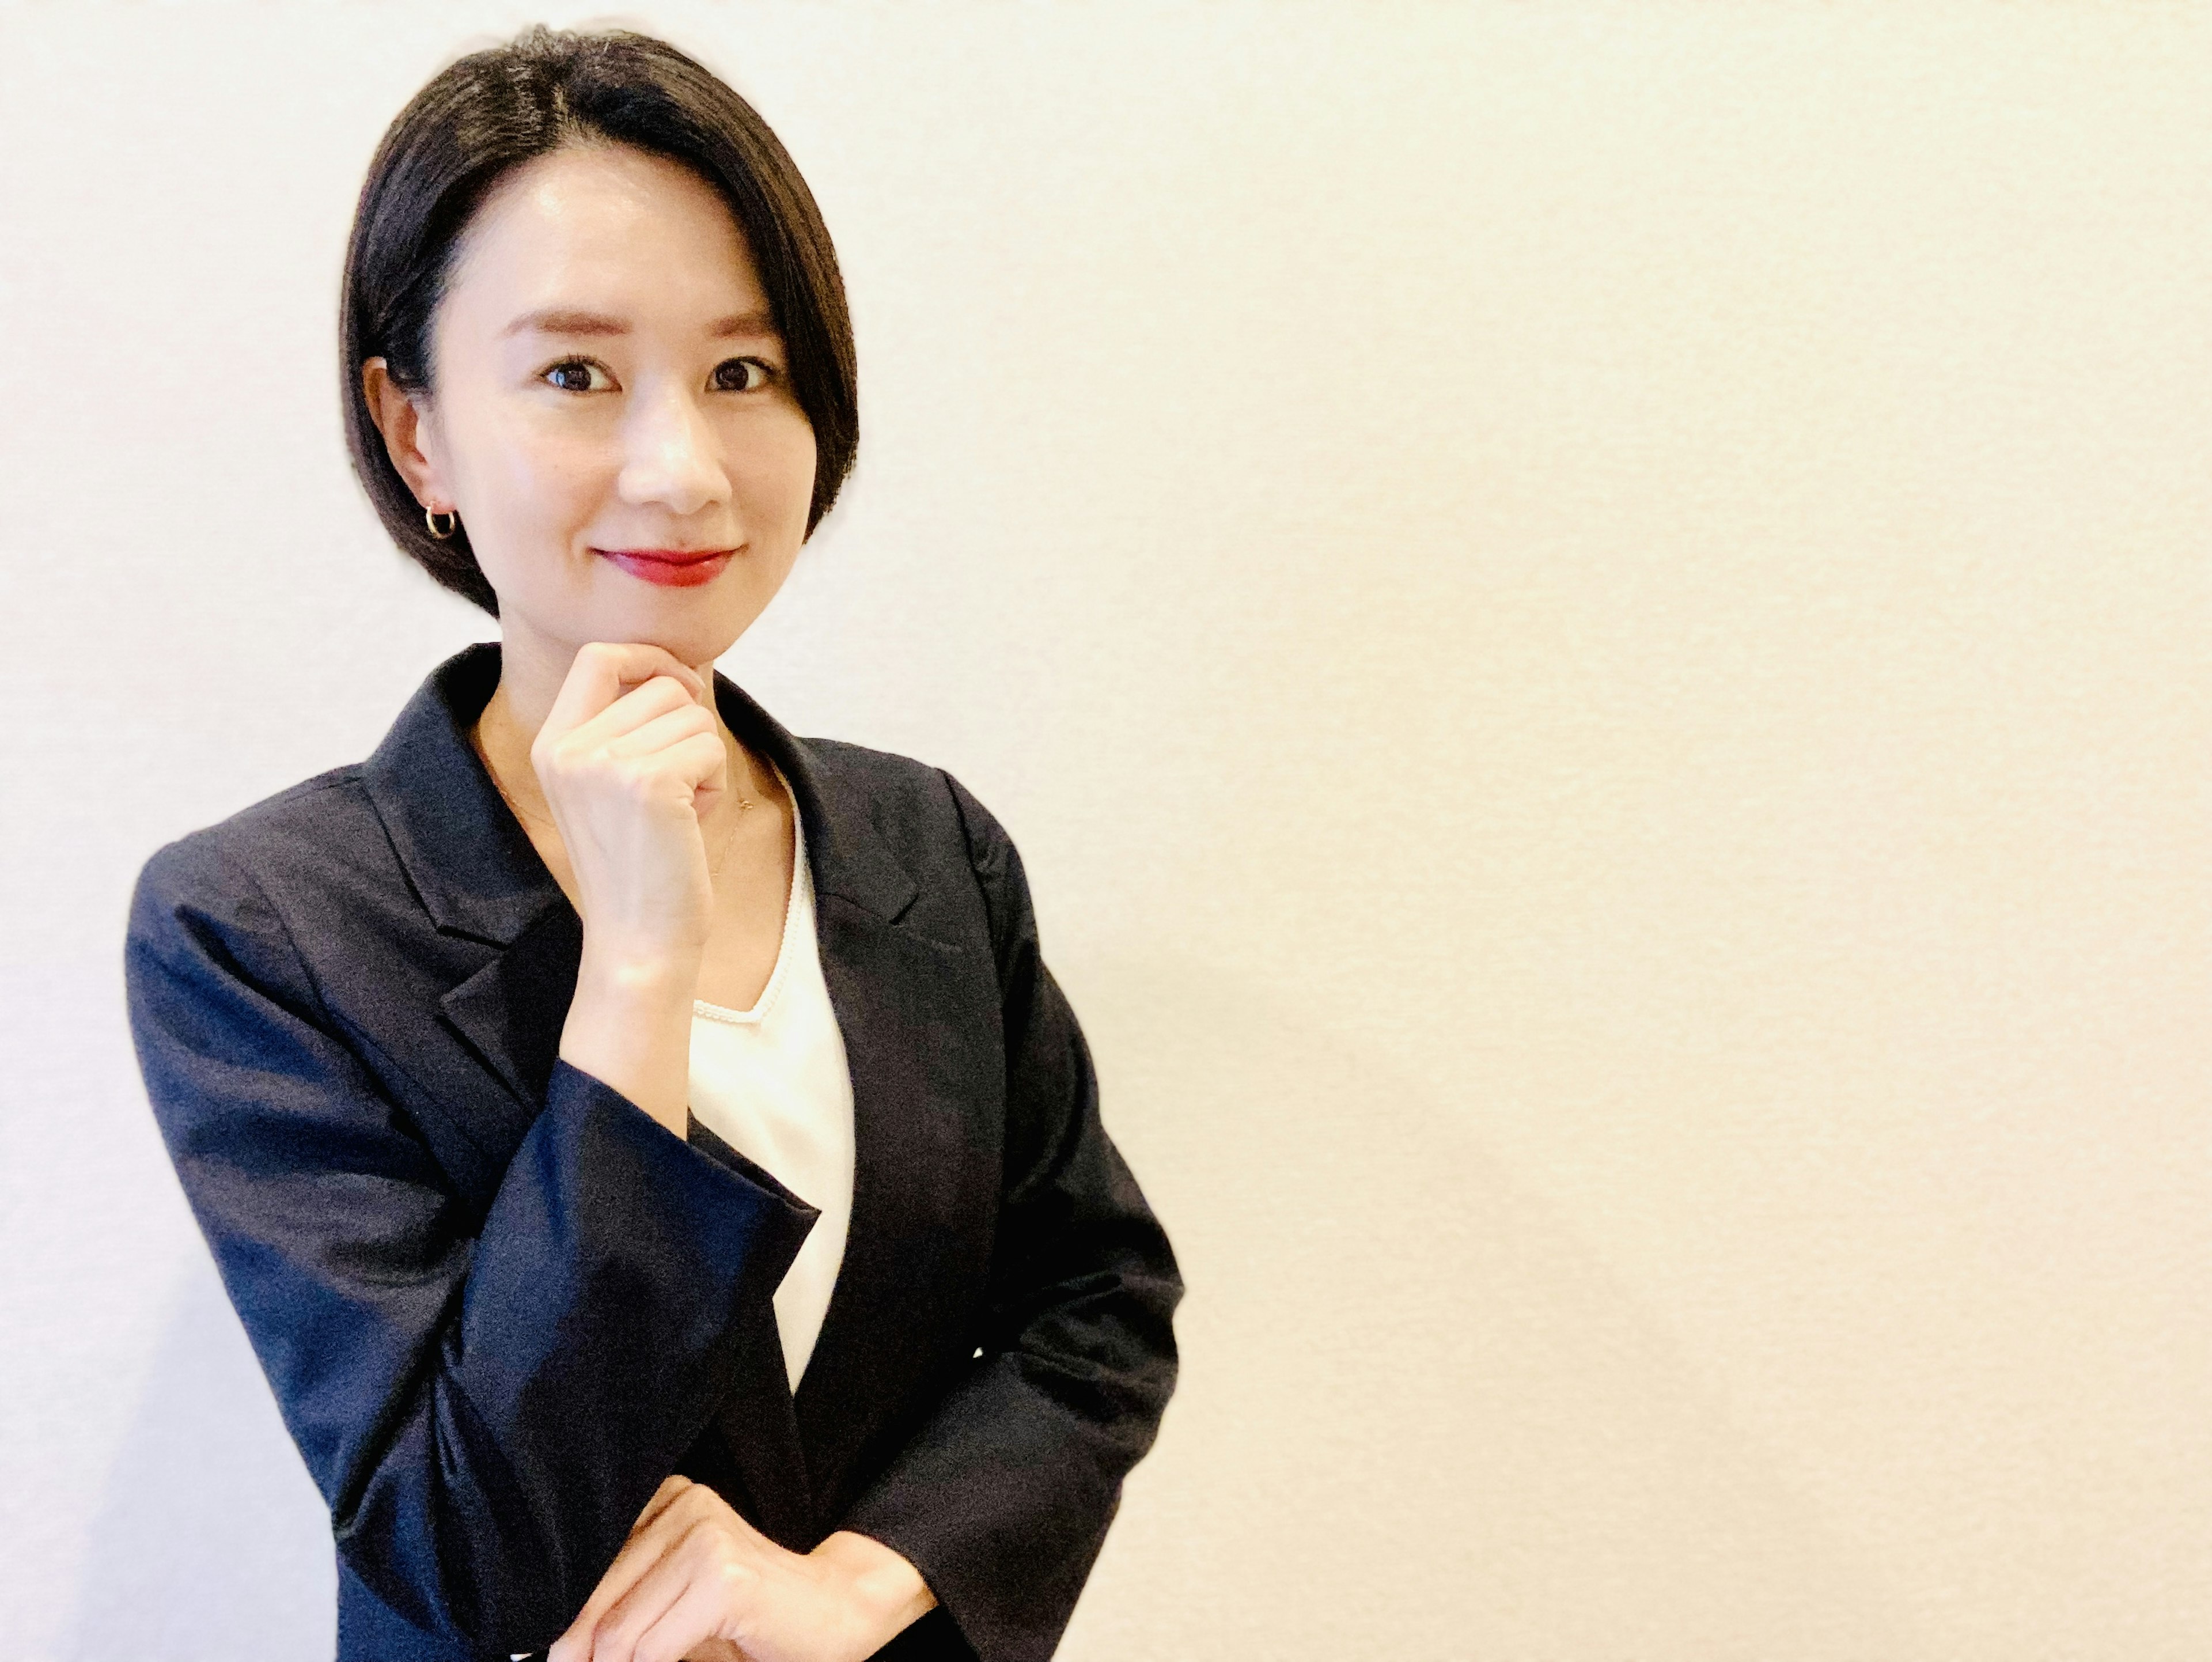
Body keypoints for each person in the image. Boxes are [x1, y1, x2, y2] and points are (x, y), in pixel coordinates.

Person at [122, 25, 1181, 1662]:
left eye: (743, 374)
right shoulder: (263, 926)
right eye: (575, 374)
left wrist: (863, 1581)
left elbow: (1093, 1311)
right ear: (416, 432)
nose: (681, 469)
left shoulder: (926, 846)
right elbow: (461, 1554)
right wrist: (635, 966)